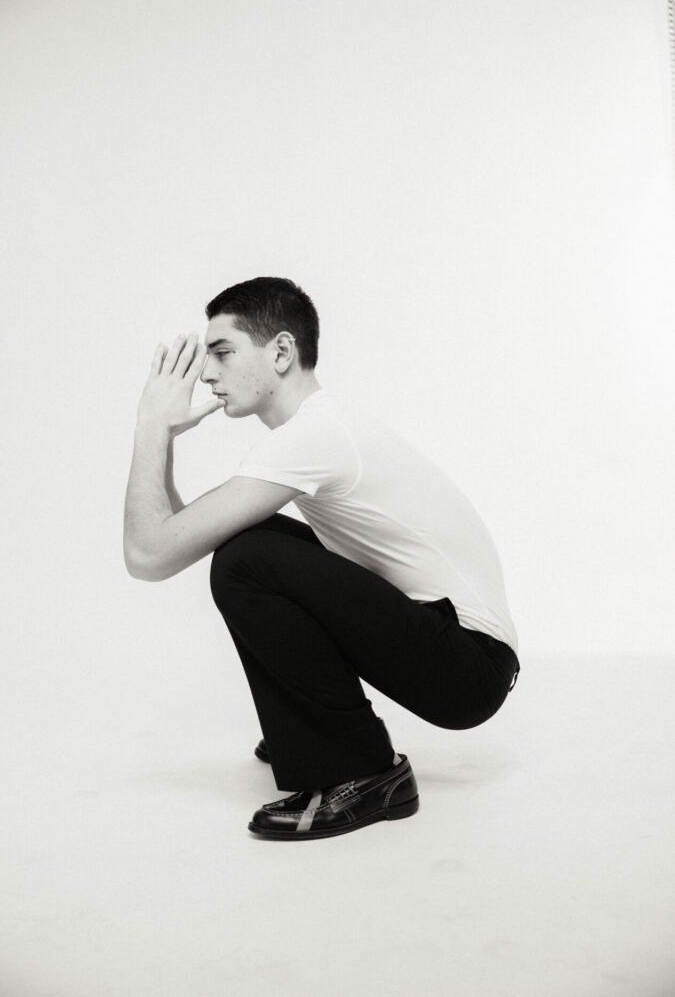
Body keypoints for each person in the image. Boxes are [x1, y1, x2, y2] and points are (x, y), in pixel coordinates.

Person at [124, 276, 520, 841]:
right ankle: (307, 730)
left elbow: (150, 553)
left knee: (247, 559)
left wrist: (148, 425)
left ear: (281, 351)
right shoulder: (320, 427)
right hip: (453, 645)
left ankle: (360, 771)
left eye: (222, 352)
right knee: (245, 543)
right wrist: (162, 437)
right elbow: (179, 536)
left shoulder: (314, 436)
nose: (207, 373)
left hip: (468, 668)